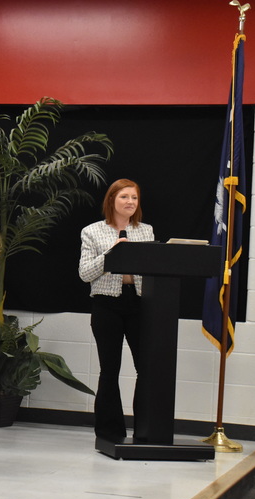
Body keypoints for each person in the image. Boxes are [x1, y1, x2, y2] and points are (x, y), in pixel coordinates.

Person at [78, 179, 155, 443]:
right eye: (124, 197)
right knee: (109, 369)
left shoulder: (146, 231)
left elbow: (153, 268)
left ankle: (146, 430)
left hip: (139, 303)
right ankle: (109, 433)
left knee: (146, 368)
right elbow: (85, 273)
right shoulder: (92, 231)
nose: (130, 202)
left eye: (134, 197)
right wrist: (111, 254)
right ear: (112, 200)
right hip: (106, 304)